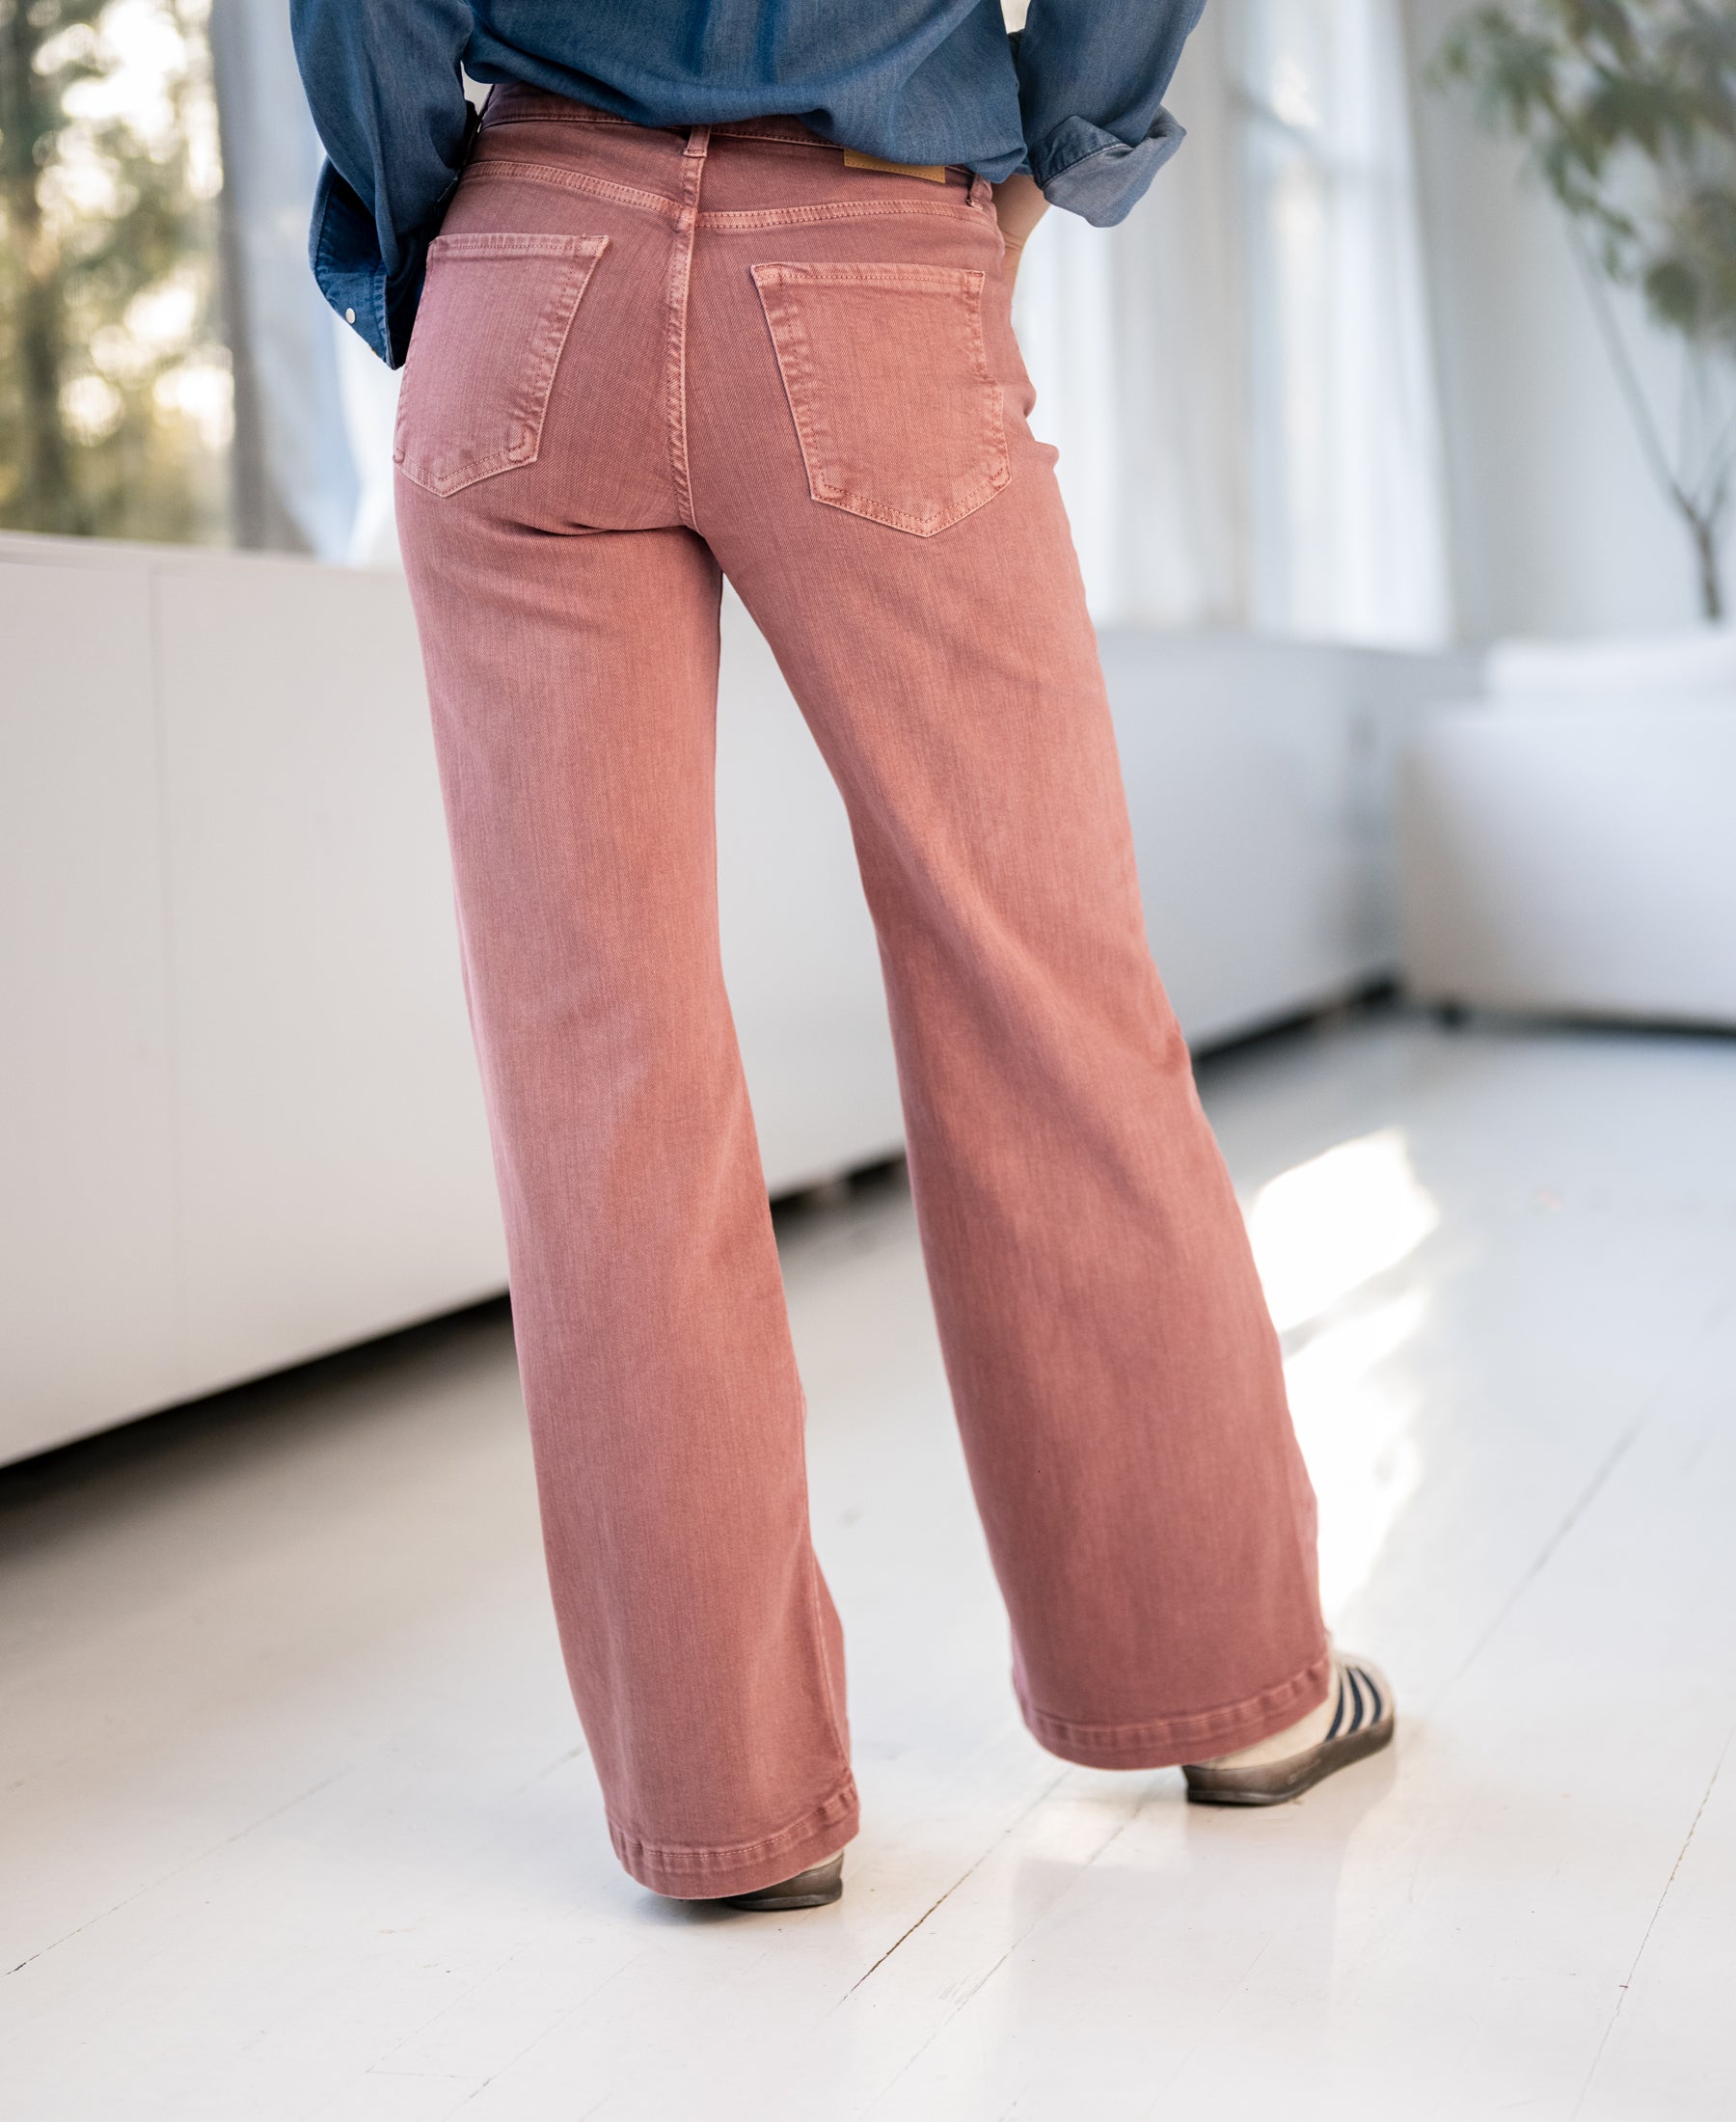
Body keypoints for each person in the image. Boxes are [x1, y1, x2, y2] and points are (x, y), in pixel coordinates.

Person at [290, 0, 1394, 1914]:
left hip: (530, 264)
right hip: (876, 253)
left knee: (596, 1071)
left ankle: (724, 1805)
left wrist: (434, 237)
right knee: (1046, 1006)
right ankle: (1233, 1698)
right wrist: (1053, 162)